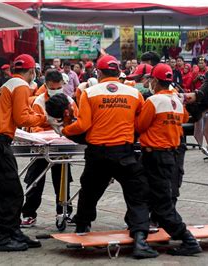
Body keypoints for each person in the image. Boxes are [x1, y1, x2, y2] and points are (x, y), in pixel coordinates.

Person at [62, 55, 158, 259]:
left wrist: (64, 130)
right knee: (137, 194)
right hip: (124, 152)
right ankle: (140, 239)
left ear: (99, 72)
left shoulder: (89, 92)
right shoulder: (134, 93)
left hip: (98, 152)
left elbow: (82, 125)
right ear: (119, 72)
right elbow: (140, 123)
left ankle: (81, 229)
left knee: (89, 191)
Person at [0, 54, 48, 252]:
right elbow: (22, 118)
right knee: (12, 194)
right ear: (32, 71)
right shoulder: (21, 86)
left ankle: (13, 232)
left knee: (8, 192)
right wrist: (43, 118)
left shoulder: (9, 84)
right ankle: (2, 239)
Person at [136, 63, 202, 256]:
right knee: (145, 195)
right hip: (168, 155)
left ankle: (187, 238)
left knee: (161, 203)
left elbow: (140, 126)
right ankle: (141, 235)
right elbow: (183, 119)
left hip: (155, 155)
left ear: (155, 81)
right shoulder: (177, 100)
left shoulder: (154, 101)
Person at [21, 71, 78, 227]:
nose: (56, 90)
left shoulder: (69, 101)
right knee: (34, 181)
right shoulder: (39, 102)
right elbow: (35, 127)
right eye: (53, 88)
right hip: (42, 147)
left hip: (62, 147)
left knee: (62, 180)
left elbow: (75, 122)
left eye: (59, 87)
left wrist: (65, 136)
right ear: (46, 86)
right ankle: (29, 214)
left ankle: (64, 212)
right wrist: (50, 137)